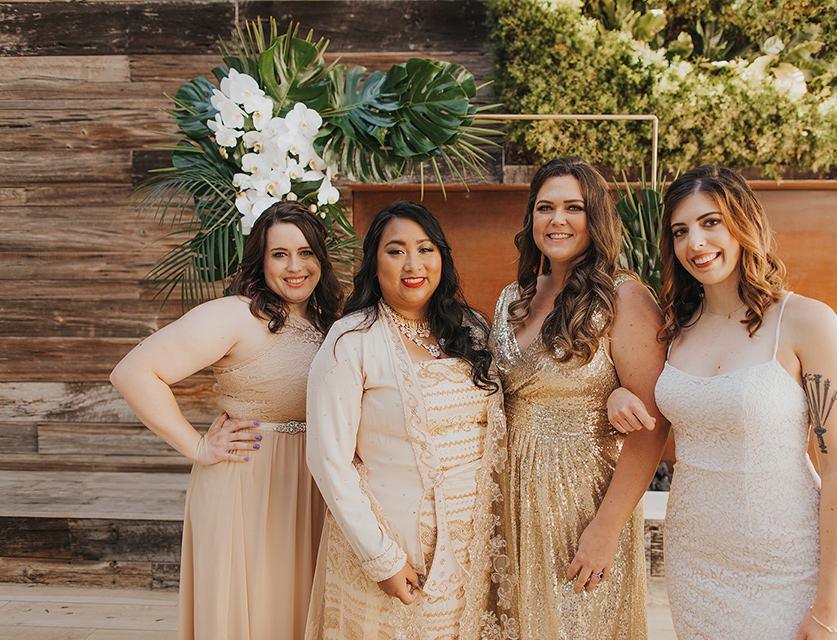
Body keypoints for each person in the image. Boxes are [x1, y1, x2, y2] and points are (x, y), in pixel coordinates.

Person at [609, 164, 837, 639]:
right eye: (680, 231)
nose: (695, 244)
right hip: (694, 559)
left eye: (711, 222)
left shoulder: (807, 321)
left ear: (745, 223)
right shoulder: (674, 329)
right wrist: (616, 394)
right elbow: (634, 389)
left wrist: (832, 608)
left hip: (785, 561)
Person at [110, 201, 343, 640]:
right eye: (280, 254)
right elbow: (133, 372)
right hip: (250, 483)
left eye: (306, 252)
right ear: (260, 258)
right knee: (256, 614)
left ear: (321, 258)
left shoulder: (329, 318)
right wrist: (197, 446)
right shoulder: (235, 315)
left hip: (316, 482)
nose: (295, 266)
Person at [303, 201, 514, 640]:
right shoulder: (352, 339)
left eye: (425, 248)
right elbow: (328, 460)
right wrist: (380, 557)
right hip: (397, 547)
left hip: (476, 542)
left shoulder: (470, 329)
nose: (413, 264)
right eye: (396, 251)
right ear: (374, 264)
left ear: (442, 258)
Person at [488, 156, 669, 639]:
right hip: (509, 496)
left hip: (582, 506)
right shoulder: (514, 296)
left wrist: (606, 529)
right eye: (545, 207)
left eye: (574, 207)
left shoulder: (624, 296)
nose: (558, 220)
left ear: (597, 218)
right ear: (531, 220)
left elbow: (654, 427)